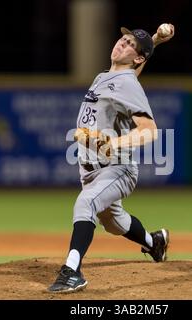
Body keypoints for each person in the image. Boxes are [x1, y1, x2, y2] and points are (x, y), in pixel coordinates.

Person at [49, 23, 175, 293]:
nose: (122, 44)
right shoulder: (109, 75)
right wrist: (154, 40)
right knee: (115, 223)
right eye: (124, 39)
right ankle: (155, 243)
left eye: (131, 45)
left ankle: (71, 271)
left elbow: (149, 131)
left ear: (138, 57)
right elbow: (130, 72)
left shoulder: (127, 83)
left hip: (117, 168)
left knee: (86, 203)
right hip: (92, 170)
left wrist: (113, 142)